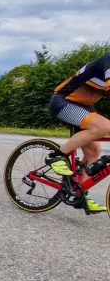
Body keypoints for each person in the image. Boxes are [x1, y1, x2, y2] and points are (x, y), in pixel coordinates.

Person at [44, 52, 110, 213]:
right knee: (103, 126)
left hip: (84, 106)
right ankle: (56, 156)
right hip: (63, 101)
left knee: (94, 150)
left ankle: (80, 194)